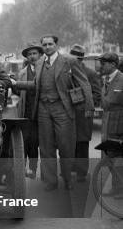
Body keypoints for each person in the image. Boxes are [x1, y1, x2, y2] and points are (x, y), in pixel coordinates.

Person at [14, 35, 94, 191]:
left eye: (50, 44)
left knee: (66, 145)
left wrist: (89, 106)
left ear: (56, 45)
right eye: (44, 44)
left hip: (62, 107)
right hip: (43, 109)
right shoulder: (39, 63)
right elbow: (35, 84)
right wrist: (15, 83)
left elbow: (84, 82)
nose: (47, 47)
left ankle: (67, 178)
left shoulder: (69, 61)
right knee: (46, 147)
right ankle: (50, 181)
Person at [69, 44, 102, 182]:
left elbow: (97, 94)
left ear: (81, 59)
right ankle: (71, 168)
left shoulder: (90, 73)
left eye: (78, 59)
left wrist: (84, 102)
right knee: (68, 142)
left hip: (82, 114)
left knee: (82, 143)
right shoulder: (64, 72)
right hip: (67, 113)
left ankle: (82, 172)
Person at [14, 41, 44, 179]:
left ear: (39, 54)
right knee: (23, 142)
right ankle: (22, 169)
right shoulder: (22, 73)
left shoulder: (44, 70)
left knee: (35, 143)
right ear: (26, 57)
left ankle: (33, 168)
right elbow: (17, 91)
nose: (32, 56)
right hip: (26, 112)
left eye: (34, 53)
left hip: (40, 113)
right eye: (29, 54)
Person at [97, 52, 123, 199]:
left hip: (119, 123)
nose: (101, 65)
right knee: (109, 157)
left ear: (113, 64)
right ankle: (116, 187)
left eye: (104, 63)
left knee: (119, 158)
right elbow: (105, 103)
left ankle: (121, 189)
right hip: (107, 122)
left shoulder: (122, 79)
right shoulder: (105, 79)